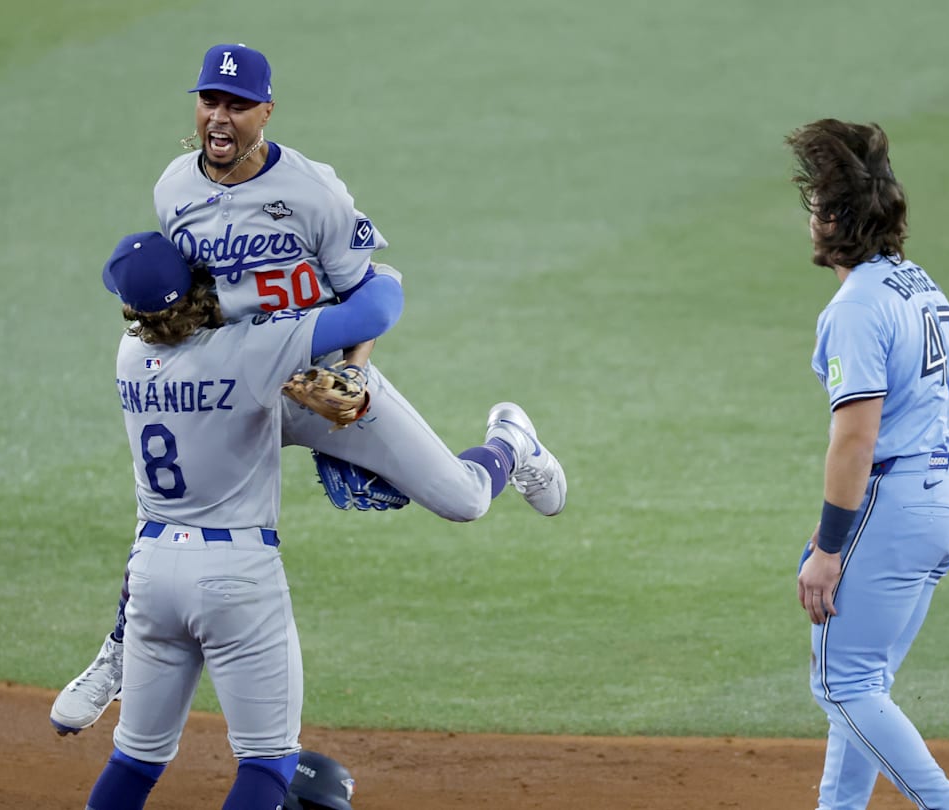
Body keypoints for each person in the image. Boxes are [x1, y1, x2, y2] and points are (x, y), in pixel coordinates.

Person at [51, 41, 568, 736]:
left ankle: (512, 443)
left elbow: (371, 292)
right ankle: (120, 652)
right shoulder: (173, 190)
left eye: (238, 104)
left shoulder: (312, 192)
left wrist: (352, 373)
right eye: (210, 101)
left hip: (314, 378)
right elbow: (185, 297)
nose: (220, 117)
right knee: (167, 508)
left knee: (463, 500)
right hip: (229, 382)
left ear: (266, 111)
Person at [81, 230, 400, 809]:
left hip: (153, 571)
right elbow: (376, 309)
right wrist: (365, 267)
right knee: (269, 760)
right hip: (235, 573)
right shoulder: (255, 347)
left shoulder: (129, 356)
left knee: (135, 759)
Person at [789, 120, 949, 810]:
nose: (810, 218)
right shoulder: (918, 284)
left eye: (816, 206)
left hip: (899, 505)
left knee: (842, 685)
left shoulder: (857, 307)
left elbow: (854, 441)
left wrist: (830, 548)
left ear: (835, 221)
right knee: (862, 680)